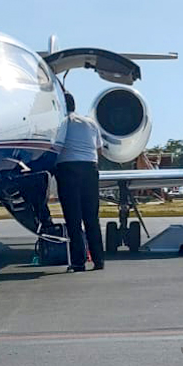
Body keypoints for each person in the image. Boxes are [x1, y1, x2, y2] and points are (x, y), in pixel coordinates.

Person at [53, 92, 105, 272]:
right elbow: (99, 149)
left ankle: (78, 261)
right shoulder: (90, 123)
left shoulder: (61, 124)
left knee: (73, 218)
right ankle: (98, 260)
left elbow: (55, 148)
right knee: (92, 217)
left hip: (68, 170)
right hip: (90, 169)